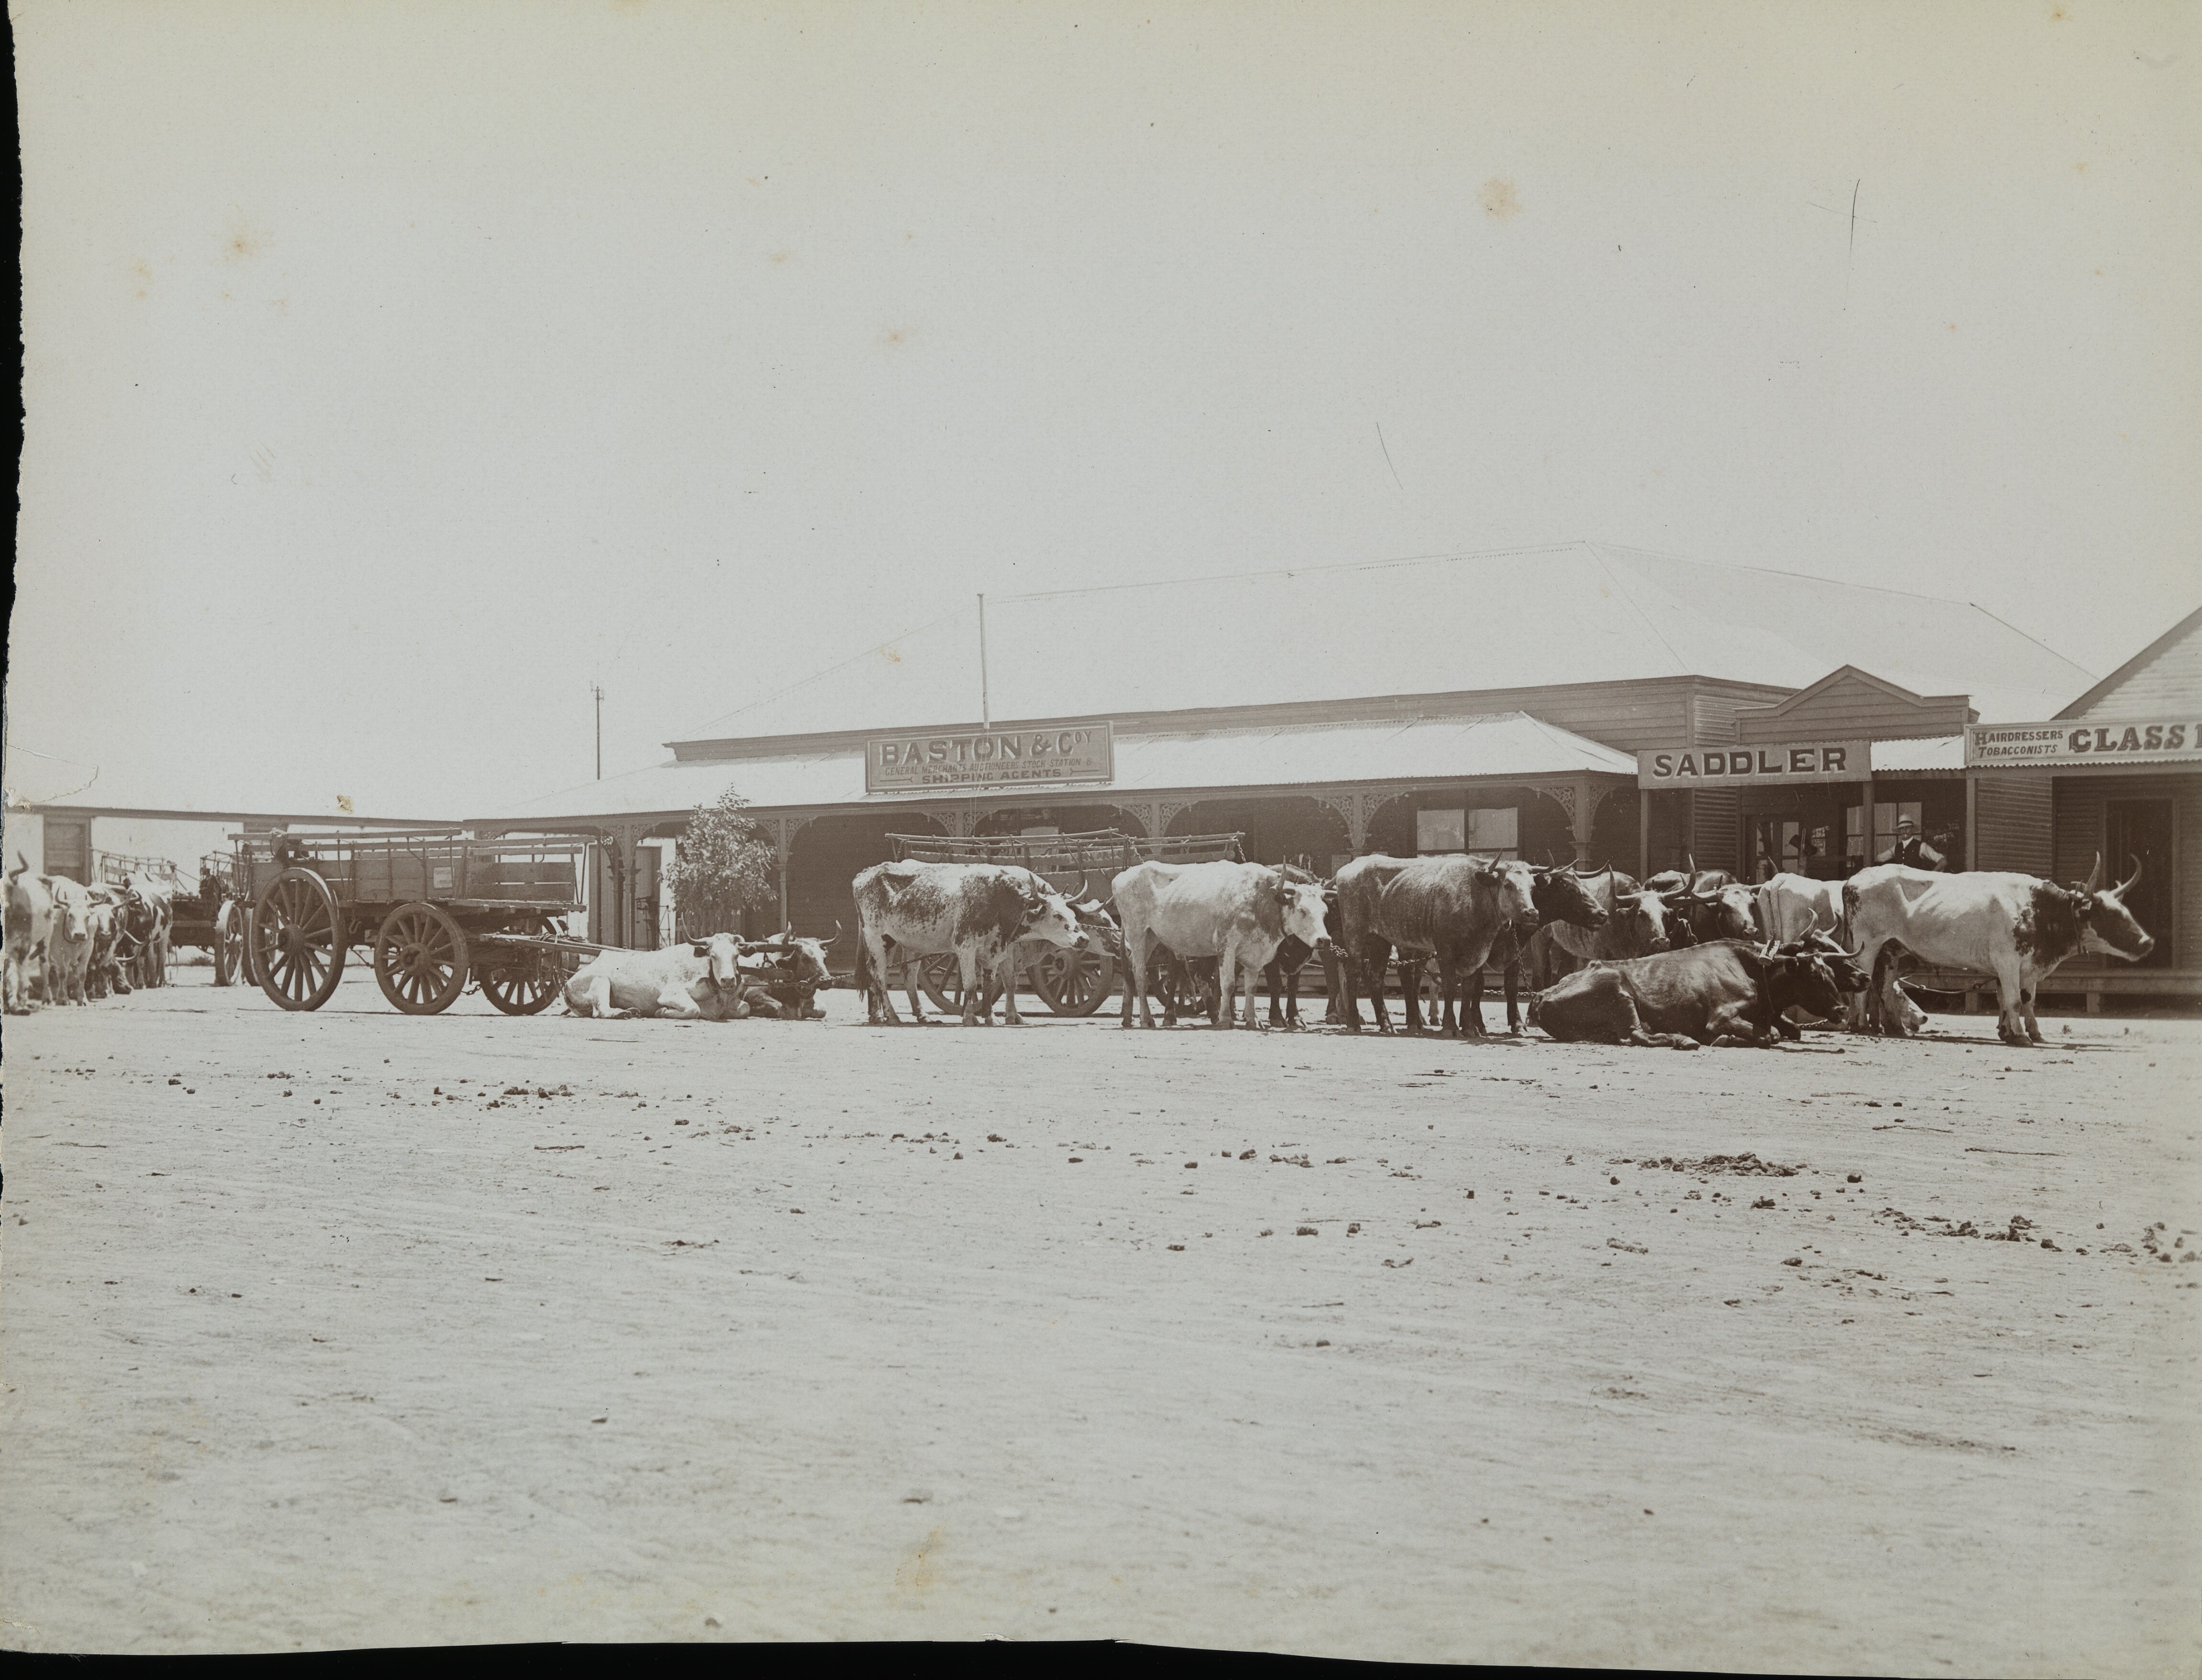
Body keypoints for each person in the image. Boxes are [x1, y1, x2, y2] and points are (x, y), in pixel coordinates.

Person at [1877, 817, 1944, 870]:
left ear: (1912, 829)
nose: (1905, 831)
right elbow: (1880, 858)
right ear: (1900, 831)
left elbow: (1943, 861)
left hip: (1916, 884)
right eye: (1902, 828)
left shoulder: (1922, 846)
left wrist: (1931, 875)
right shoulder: (1896, 848)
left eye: (1907, 828)